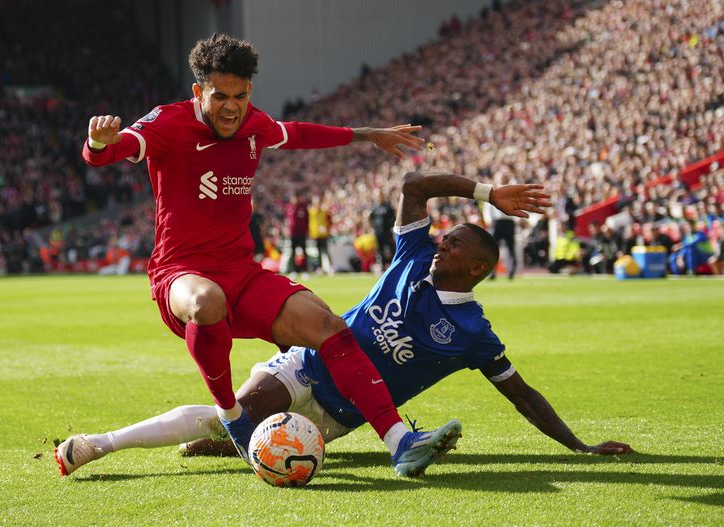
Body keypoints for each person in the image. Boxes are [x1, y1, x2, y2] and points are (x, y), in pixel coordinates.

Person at [56, 172, 632, 477]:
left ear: (477, 268)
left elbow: (522, 395)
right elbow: (415, 187)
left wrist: (579, 448)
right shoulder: (412, 258)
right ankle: (102, 445)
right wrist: (483, 192)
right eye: (443, 236)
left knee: (237, 436)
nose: (441, 242)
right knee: (238, 414)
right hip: (306, 365)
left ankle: (226, 440)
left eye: (453, 243)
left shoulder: (474, 335)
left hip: (339, 417)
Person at [62, 33, 452, 477]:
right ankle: (232, 418)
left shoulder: (254, 124)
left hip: (244, 275)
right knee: (207, 303)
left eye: (241, 96)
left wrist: (366, 135)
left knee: (329, 326)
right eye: (220, 96)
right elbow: (109, 153)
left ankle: (401, 443)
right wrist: (97, 143)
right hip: (181, 274)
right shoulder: (168, 124)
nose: (232, 107)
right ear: (198, 92)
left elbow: (299, 134)